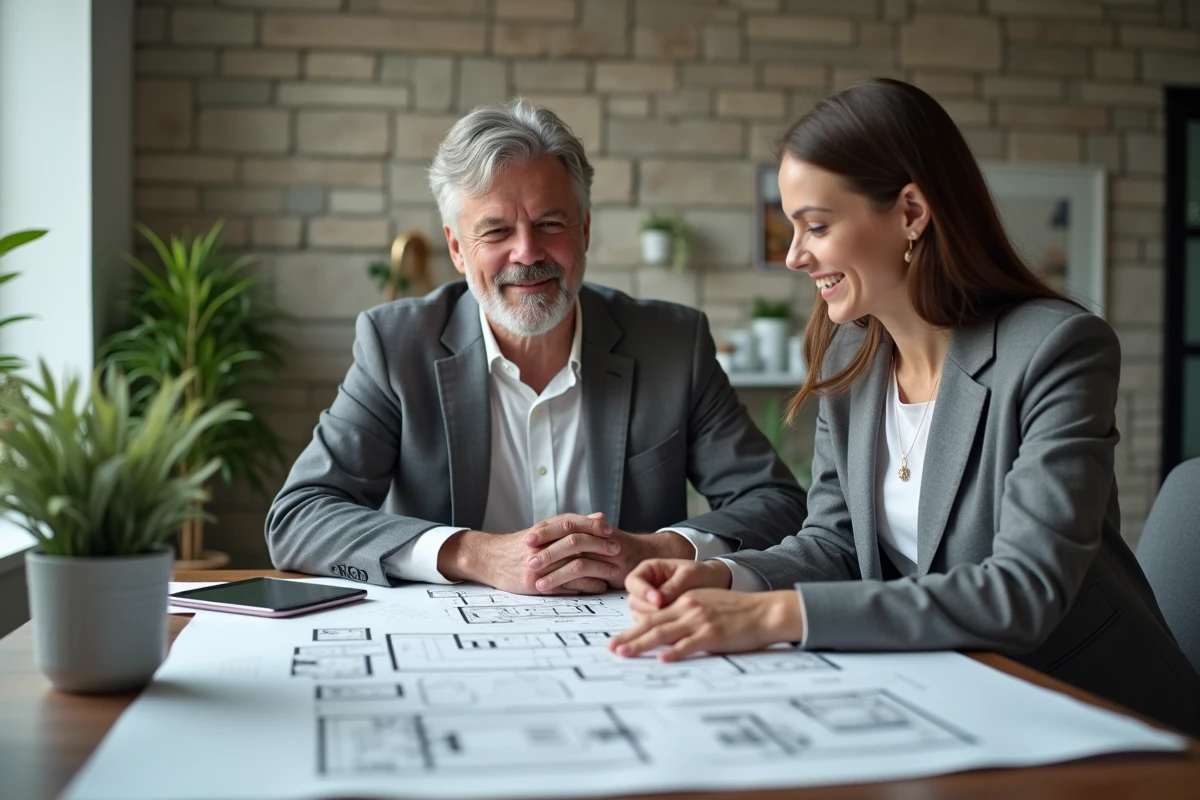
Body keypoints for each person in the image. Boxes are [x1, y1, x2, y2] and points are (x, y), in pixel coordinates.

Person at [608, 78, 1200, 736]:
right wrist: (722, 577)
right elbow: (833, 543)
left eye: (816, 226)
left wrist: (776, 616)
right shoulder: (849, 361)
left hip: (1095, 714)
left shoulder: (1057, 349)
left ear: (911, 212)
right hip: (947, 697)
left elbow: (1025, 590)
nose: (795, 256)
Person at [265, 99, 807, 596]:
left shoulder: (671, 345)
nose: (527, 253)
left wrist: (653, 549)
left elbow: (777, 503)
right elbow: (299, 517)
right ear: (457, 248)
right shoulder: (396, 346)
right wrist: (472, 553)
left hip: (630, 639)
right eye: (496, 232)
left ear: (584, 231)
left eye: (550, 223)